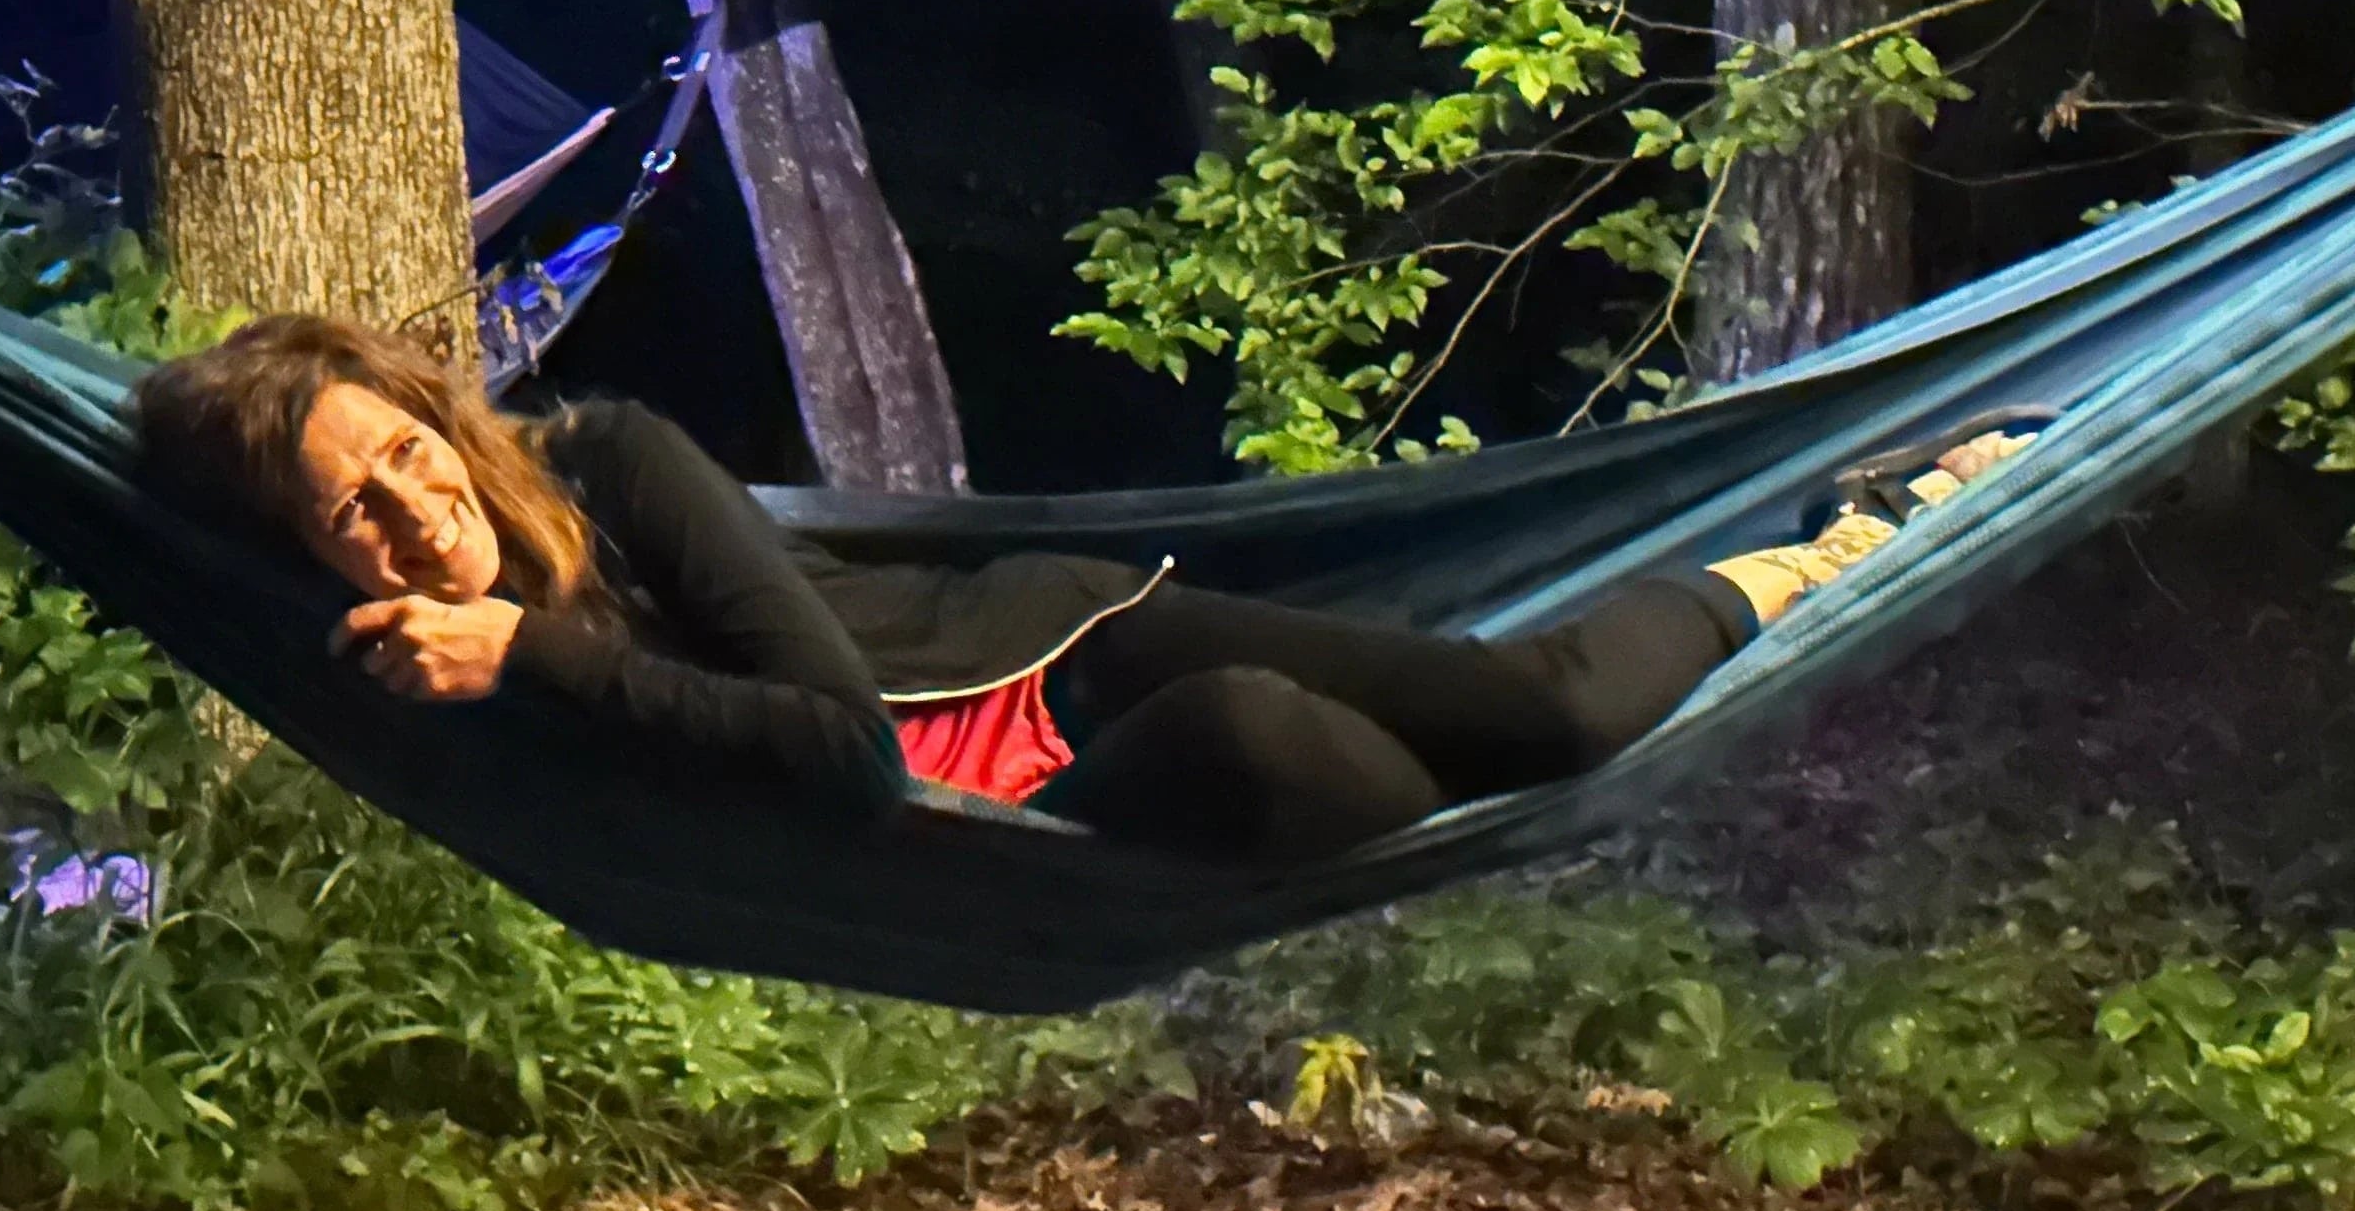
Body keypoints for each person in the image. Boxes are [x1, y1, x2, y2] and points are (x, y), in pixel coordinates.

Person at [133, 316, 2028, 867]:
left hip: (1074, 644)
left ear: (440, 417)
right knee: (1253, 755)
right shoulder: (409, 672)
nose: (400, 515)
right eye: (341, 519)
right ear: (300, 562)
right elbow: (853, 814)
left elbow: (828, 737)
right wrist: (505, 673)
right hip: (1056, 814)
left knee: (1534, 715)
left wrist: (526, 646)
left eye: (402, 454)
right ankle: (1490, 815)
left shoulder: (614, 462)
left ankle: (1837, 533)